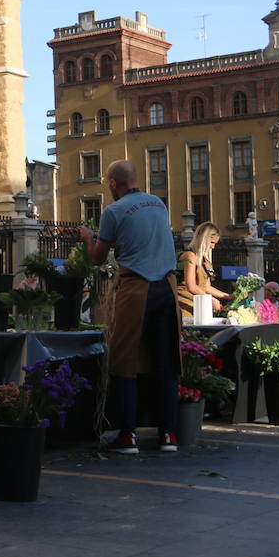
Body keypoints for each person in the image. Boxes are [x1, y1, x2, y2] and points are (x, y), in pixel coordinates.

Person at [79, 159, 181, 455]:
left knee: (124, 362)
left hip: (136, 288)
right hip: (167, 288)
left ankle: (128, 436)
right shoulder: (159, 205)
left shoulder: (113, 211)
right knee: (165, 363)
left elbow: (98, 258)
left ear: (112, 183)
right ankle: (168, 435)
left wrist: (88, 238)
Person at [176, 222, 230, 318]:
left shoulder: (206, 262)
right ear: (203, 238)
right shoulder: (189, 256)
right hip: (184, 306)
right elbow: (191, 287)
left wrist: (229, 296)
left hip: (199, 305)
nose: (213, 247)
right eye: (211, 242)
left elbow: (207, 287)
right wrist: (211, 300)